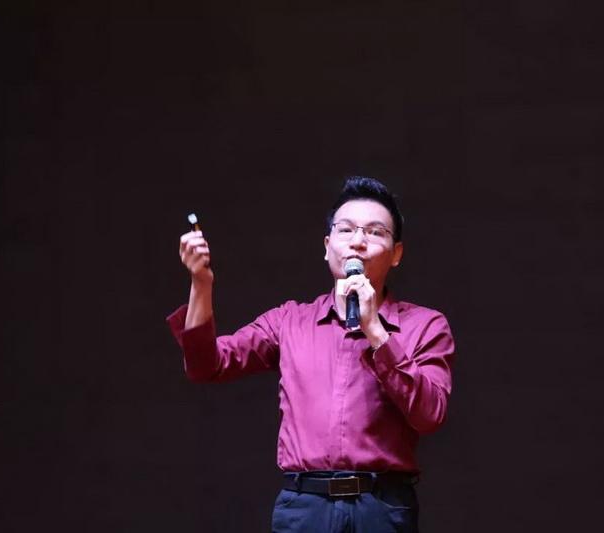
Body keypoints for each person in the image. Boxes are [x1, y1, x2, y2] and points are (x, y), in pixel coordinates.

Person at [167, 177, 455, 532]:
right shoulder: (288, 321)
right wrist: (201, 283)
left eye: (375, 232)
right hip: (305, 509)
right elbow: (206, 365)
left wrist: (376, 332)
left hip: (382, 509)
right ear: (327, 246)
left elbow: (429, 415)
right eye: (346, 230)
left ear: (396, 253)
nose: (358, 241)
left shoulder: (425, 325)